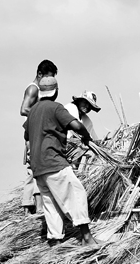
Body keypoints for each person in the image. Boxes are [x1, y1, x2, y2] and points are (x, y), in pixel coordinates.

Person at [24, 75, 99, 247]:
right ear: (56, 91)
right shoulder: (56, 108)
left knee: (51, 204)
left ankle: (55, 240)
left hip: (38, 168)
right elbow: (77, 126)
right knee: (77, 192)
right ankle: (87, 238)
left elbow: (26, 135)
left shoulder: (33, 111)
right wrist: (86, 137)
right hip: (53, 161)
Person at [19, 60, 57, 215]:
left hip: (33, 133)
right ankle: (38, 206)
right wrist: (41, 114)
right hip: (34, 134)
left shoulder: (38, 89)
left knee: (32, 170)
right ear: (39, 74)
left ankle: (27, 207)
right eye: (46, 78)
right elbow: (23, 109)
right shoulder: (33, 89)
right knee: (37, 169)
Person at [64, 90, 102, 171]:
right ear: (79, 100)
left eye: (90, 106)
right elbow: (77, 129)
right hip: (62, 144)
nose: (87, 106)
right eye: (85, 102)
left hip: (73, 148)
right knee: (84, 144)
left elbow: (94, 139)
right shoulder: (71, 108)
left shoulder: (86, 119)